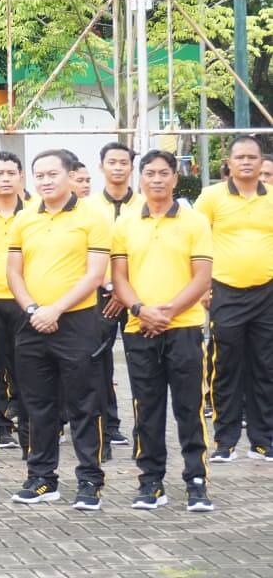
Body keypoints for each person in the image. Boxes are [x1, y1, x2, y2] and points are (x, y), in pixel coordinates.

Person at [6, 149, 110, 510]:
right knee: (37, 406)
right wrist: (35, 309)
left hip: (77, 322)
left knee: (84, 404)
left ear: (70, 176)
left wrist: (57, 309)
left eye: (52, 174)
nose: (45, 181)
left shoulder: (93, 217)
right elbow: (14, 273)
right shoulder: (24, 218)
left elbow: (95, 275)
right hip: (32, 321)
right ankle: (41, 478)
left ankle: (89, 481)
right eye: (40, 175)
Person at [111, 149, 214, 512]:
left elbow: (202, 276)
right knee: (147, 409)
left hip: (183, 327)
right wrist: (141, 309)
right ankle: (150, 481)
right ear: (141, 178)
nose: (156, 179)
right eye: (150, 173)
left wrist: (169, 310)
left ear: (175, 178)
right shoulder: (125, 223)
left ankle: (196, 481)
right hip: (141, 329)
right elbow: (118, 277)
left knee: (190, 408)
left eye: (163, 173)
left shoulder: (195, 221)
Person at [196, 134, 273, 462]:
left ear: (261, 163)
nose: (245, 162)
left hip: (267, 293)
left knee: (266, 366)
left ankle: (263, 440)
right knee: (225, 366)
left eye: (251, 157)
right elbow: (196, 243)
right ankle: (224, 441)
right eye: (239, 157)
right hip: (224, 291)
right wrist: (202, 287)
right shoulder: (211, 197)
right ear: (227, 163)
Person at [84, 141, 137, 451]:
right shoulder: (88, 207)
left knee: (142, 363)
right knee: (97, 364)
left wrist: (126, 292)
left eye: (123, 162)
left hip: (138, 297)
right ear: (101, 167)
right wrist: (110, 286)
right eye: (112, 162)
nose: (118, 167)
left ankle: (142, 434)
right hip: (99, 295)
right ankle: (106, 429)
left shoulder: (144, 204)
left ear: (131, 167)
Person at [0, 151, 29, 455]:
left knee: (27, 375)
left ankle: (30, 443)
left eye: (12, 173)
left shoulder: (34, 213)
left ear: (21, 177)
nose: (6, 179)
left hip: (24, 302)